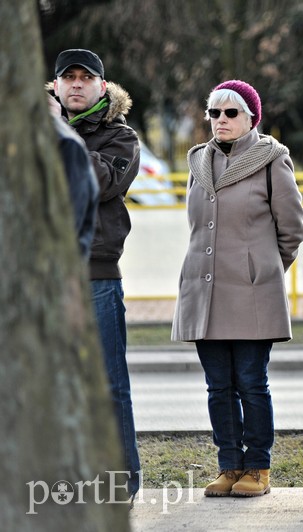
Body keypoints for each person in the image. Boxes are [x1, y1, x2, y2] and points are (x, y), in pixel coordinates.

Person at [172, 80, 303, 498]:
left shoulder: (271, 160)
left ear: (251, 117)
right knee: (218, 386)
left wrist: (261, 270)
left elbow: (292, 229)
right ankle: (229, 465)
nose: (221, 120)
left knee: (251, 382)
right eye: (214, 113)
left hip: (252, 293)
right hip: (203, 291)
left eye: (231, 113)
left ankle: (258, 468)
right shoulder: (197, 162)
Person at [49, 48, 142, 498]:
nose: (78, 84)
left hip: (96, 278)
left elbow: (100, 182)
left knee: (109, 385)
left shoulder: (119, 138)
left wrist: (55, 133)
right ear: (57, 86)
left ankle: (121, 480)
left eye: (87, 78)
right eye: (69, 78)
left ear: (103, 87)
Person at [51, 115, 99, 261]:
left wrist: (59, 125)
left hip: (97, 262)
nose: (76, 89)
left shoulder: (67, 143)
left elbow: (105, 181)